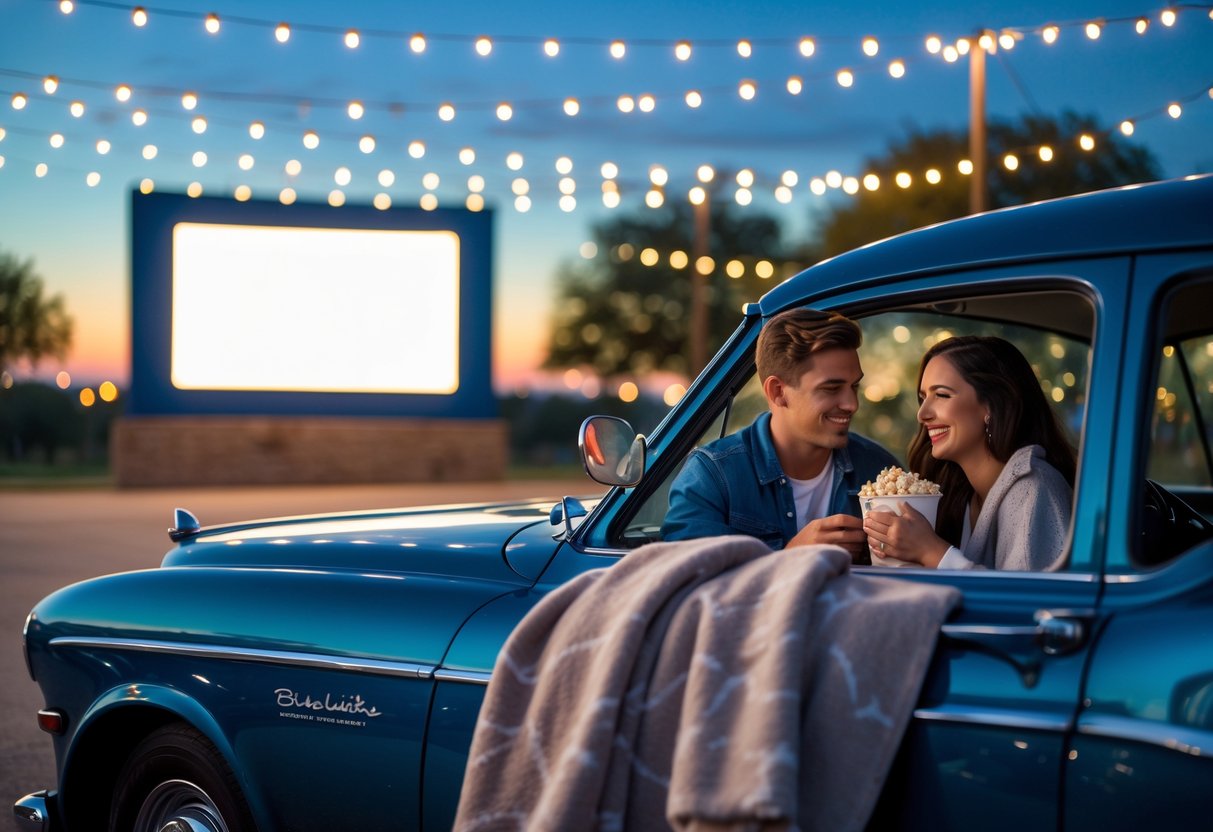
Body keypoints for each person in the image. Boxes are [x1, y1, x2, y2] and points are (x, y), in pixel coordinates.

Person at [662, 308, 899, 563]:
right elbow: (683, 582)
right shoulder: (712, 477)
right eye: (831, 388)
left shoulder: (879, 470)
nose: (852, 404)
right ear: (777, 391)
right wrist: (788, 557)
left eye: (855, 386)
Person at [862, 335, 1076, 571]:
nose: (922, 414)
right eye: (923, 398)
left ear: (991, 406)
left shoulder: (1033, 489)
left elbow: (1025, 602)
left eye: (941, 395)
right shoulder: (958, 494)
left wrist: (932, 552)